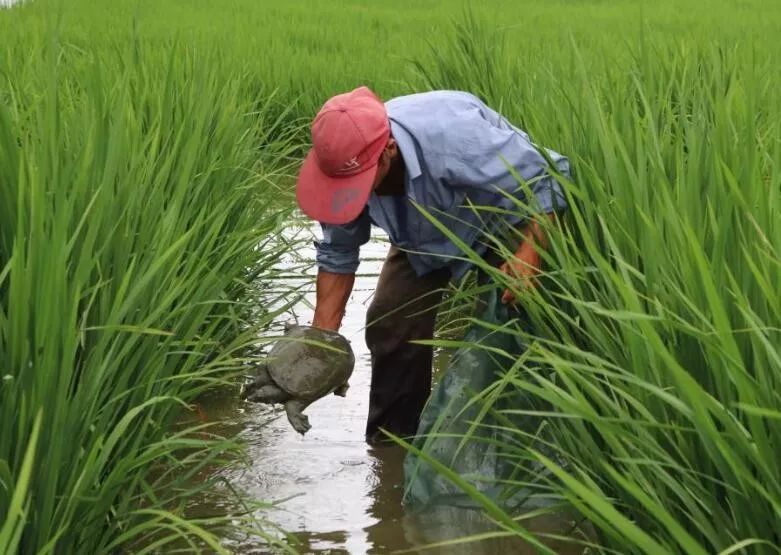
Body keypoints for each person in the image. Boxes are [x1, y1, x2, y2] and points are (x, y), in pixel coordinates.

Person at [295, 86, 570, 446]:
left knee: (504, 327)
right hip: (421, 235)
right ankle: (392, 446)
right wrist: (322, 343)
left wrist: (530, 253)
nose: (345, 191)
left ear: (387, 152)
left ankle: (504, 445)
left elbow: (550, 173)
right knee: (390, 321)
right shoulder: (340, 166)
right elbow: (338, 253)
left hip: (500, 220)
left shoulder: (457, 139)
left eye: (355, 183)